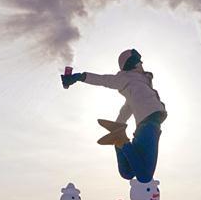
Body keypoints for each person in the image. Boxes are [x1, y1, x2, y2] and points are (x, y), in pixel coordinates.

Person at [61, 49, 167, 184]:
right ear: (133, 64)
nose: (142, 63)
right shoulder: (125, 78)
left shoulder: (140, 83)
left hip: (145, 126)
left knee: (127, 172)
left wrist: (118, 124)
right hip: (150, 125)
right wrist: (80, 77)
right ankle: (121, 140)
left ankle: (119, 142)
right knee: (145, 176)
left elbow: (127, 108)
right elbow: (103, 80)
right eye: (139, 61)